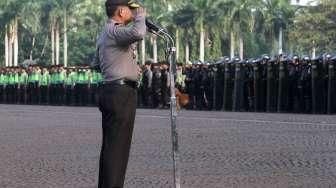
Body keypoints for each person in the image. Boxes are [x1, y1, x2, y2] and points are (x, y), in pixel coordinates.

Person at [93, 0, 146, 187]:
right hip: (120, 93)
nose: (134, 13)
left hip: (113, 90)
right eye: (131, 10)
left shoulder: (105, 32)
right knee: (117, 149)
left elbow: (96, 64)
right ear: (122, 11)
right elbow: (139, 32)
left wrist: (124, 66)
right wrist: (141, 16)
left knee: (114, 147)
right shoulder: (114, 30)